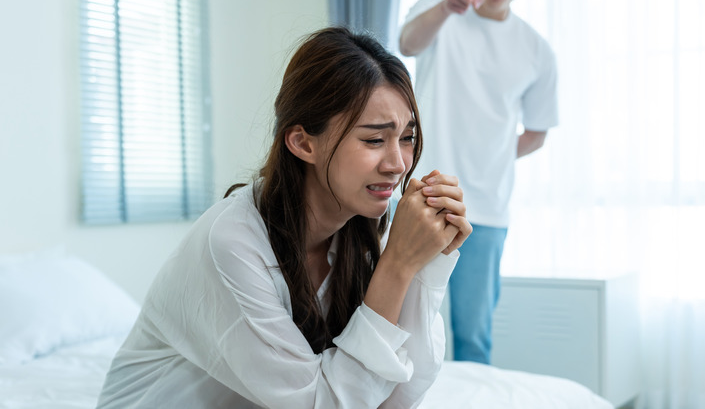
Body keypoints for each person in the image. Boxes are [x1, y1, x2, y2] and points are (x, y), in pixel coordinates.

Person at [97, 27, 472, 408]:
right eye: (374, 140)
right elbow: (319, 403)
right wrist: (396, 265)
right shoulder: (233, 243)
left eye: (406, 138)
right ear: (303, 142)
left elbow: (397, 394)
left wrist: (423, 265)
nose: (398, 164)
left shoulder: (356, 230)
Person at [399, 0, 558, 365]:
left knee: (473, 336)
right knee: (401, 328)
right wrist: (446, 9)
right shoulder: (438, 13)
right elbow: (406, 43)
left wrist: (494, 157)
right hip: (423, 197)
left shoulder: (537, 50)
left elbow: (537, 133)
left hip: (485, 210)